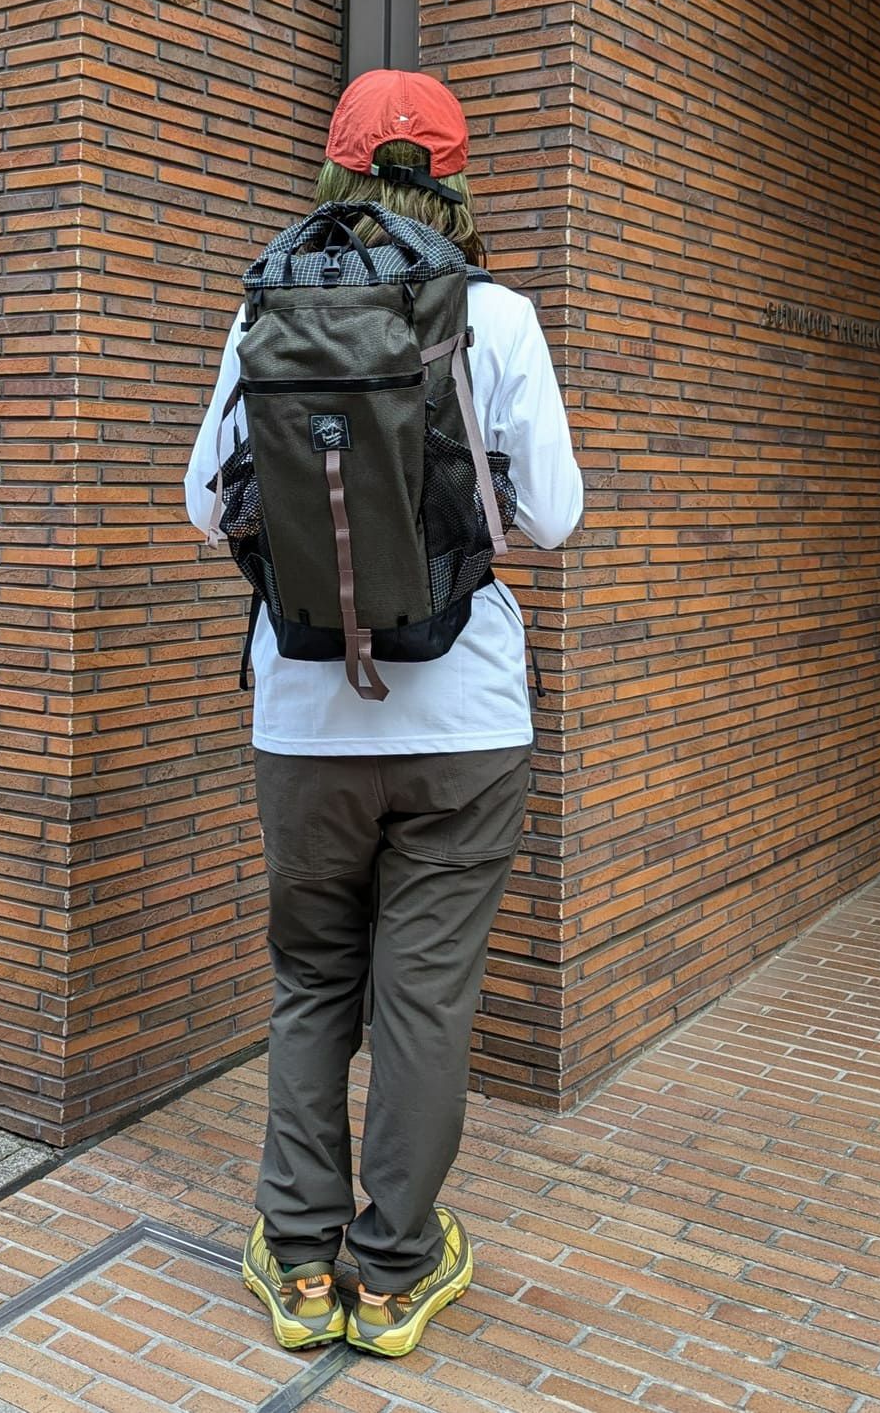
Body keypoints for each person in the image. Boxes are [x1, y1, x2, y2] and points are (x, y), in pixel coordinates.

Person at [184, 68, 584, 1358]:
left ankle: (301, 1266)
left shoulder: (269, 306)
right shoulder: (499, 316)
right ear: (453, 179)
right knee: (425, 1001)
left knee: (313, 983)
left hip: (305, 720)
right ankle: (397, 1272)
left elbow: (206, 504)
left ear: (337, 170)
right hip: (465, 722)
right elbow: (556, 515)